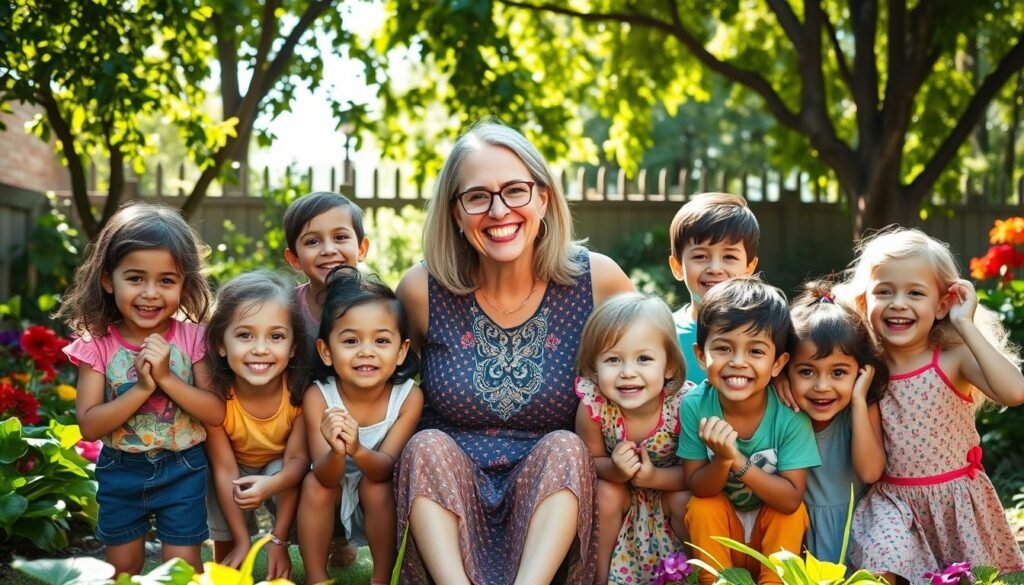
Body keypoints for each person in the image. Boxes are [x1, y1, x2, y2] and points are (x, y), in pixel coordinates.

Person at [394, 120, 634, 585]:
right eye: (478, 196)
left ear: (543, 198)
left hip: (553, 504)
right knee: (424, 446)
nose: (499, 210)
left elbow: (654, 366)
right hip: (446, 501)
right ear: (455, 214)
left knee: (566, 447)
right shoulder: (422, 290)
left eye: (515, 191)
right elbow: (375, 380)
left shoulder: (598, 281)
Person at [836, 228, 1024, 582]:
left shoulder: (953, 359)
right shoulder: (870, 368)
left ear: (941, 304)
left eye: (915, 293)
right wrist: (859, 400)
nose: (898, 303)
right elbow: (870, 471)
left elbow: (1015, 392)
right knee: (883, 564)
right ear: (864, 301)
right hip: (896, 504)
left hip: (957, 504)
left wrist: (965, 324)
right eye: (884, 291)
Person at [55, 201, 222, 575]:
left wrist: (166, 378)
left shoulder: (194, 338)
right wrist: (142, 388)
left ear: (184, 283)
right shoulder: (96, 343)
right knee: (124, 569)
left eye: (166, 280)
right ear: (107, 279)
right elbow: (90, 426)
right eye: (135, 278)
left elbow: (215, 411)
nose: (150, 293)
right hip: (120, 469)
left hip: (184, 468)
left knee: (183, 568)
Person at [676, 276, 820, 585]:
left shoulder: (790, 415)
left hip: (772, 531)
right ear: (701, 356)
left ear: (778, 363)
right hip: (723, 532)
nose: (738, 362)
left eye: (755, 352)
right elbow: (697, 486)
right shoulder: (694, 406)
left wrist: (738, 461)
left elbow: (791, 499)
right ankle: (717, 581)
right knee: (702, 506)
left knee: (790, 516)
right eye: (724, 349)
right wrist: (721, 462)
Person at [298, 267, 423, 585]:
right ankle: (315, 577)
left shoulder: (408, 397)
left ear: (401, 351)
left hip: (382, 491)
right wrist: (339, 451)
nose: (366, 351)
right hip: (333, 486)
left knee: (375, 486)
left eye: (381, 340)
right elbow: (325, 475)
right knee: (314, 485)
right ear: (326, 351)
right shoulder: (319, 396)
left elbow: (383, 470)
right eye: (351, 340)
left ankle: (381, 578)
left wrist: (355, 447)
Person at [574, 292, 692, 585]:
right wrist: (614, 470)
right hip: (621, 497)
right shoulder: (594, 406)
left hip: (667, 493)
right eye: (613, 359)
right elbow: (588, 461)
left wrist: (656, 479)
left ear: (670, 366)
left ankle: (698, 576)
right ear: (594, 366)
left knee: (687, 501)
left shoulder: (684, 405)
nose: (628, 372)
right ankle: (599, 579)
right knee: (606, 492)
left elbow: (697, 473)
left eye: (644, 359)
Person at [202, 270, 312, 580]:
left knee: (281, 470)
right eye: (245, 335)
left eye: (275, 336)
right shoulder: (218, 398)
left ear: (292, 347)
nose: (260, 348)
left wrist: (277, 540)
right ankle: (230, 547)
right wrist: (241, 538)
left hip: (282, 472)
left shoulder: (299, 395)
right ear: (221, 344)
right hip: (232, 470)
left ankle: (295, 542)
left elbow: (297, 462)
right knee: (212, 477)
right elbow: (224, 470)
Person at [781, 280, 887, 565]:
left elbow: (870, 471)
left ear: (860, 371)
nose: (822, 386)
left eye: (838, 372)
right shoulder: (784, 411)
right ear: (784, 368)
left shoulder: (861, 408)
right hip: (799, 531)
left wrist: (858, 402)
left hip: (858, 532)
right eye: (806, 371)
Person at [668, 193, 760, 385]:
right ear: (677, 267)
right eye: (700, 256)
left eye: (729, 257)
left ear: (749, 269)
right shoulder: (663, 332)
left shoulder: (767, 332)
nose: (715, 268)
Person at [284, 191, 370, 334]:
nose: (328, 250)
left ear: (361, 249)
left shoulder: (378, 307)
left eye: (340, 237)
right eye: (312, 242)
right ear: (295, 259)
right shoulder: (285, 308)